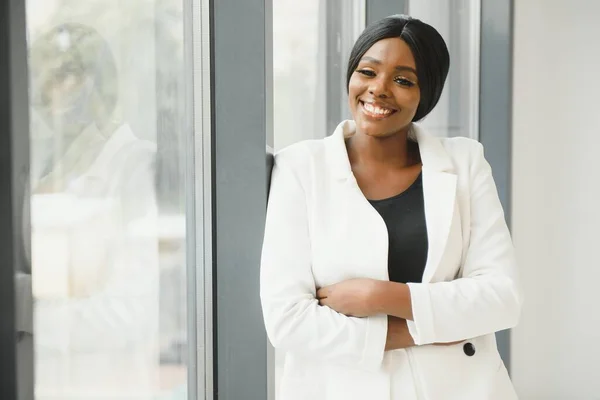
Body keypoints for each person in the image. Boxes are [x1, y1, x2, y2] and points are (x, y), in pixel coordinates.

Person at [260, 14, 522, 400]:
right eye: (367, 71)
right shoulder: (300, 167)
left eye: (403, 80)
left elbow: (501, 298)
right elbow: (288, 321)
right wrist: (420, 331)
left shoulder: (465, 162)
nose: (378, 89)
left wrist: (380, 297)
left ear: (426, 93)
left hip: (460, 387)